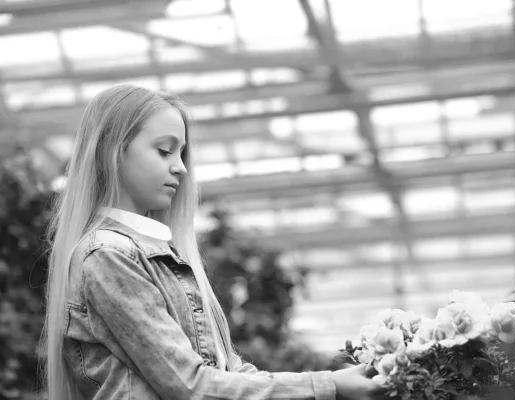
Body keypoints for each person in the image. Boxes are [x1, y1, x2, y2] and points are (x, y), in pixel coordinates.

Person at [40, 84, 387, 400]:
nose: (181, 169)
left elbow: (225, 374)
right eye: (164, 151)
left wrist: (333, 382)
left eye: (181, 154)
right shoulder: (109, 256)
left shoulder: (154, 253)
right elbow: (191, 386)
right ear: (113, 152)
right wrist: (329, 386)